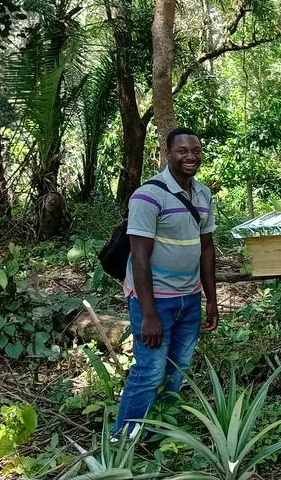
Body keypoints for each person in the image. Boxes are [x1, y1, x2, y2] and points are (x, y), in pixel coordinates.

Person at [113, 127, 219, 437]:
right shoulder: (148, 196)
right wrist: (149, 314)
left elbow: (207, 248)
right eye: (182, 151)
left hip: (190, 298)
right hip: (155, 300)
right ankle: (123, 441)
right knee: (150, 371)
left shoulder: (203, 193)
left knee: (178, 368)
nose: (190, 156)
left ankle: (156, 432)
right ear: (168, 153)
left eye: (196, 150)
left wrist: (211, 299)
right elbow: (140, 257)